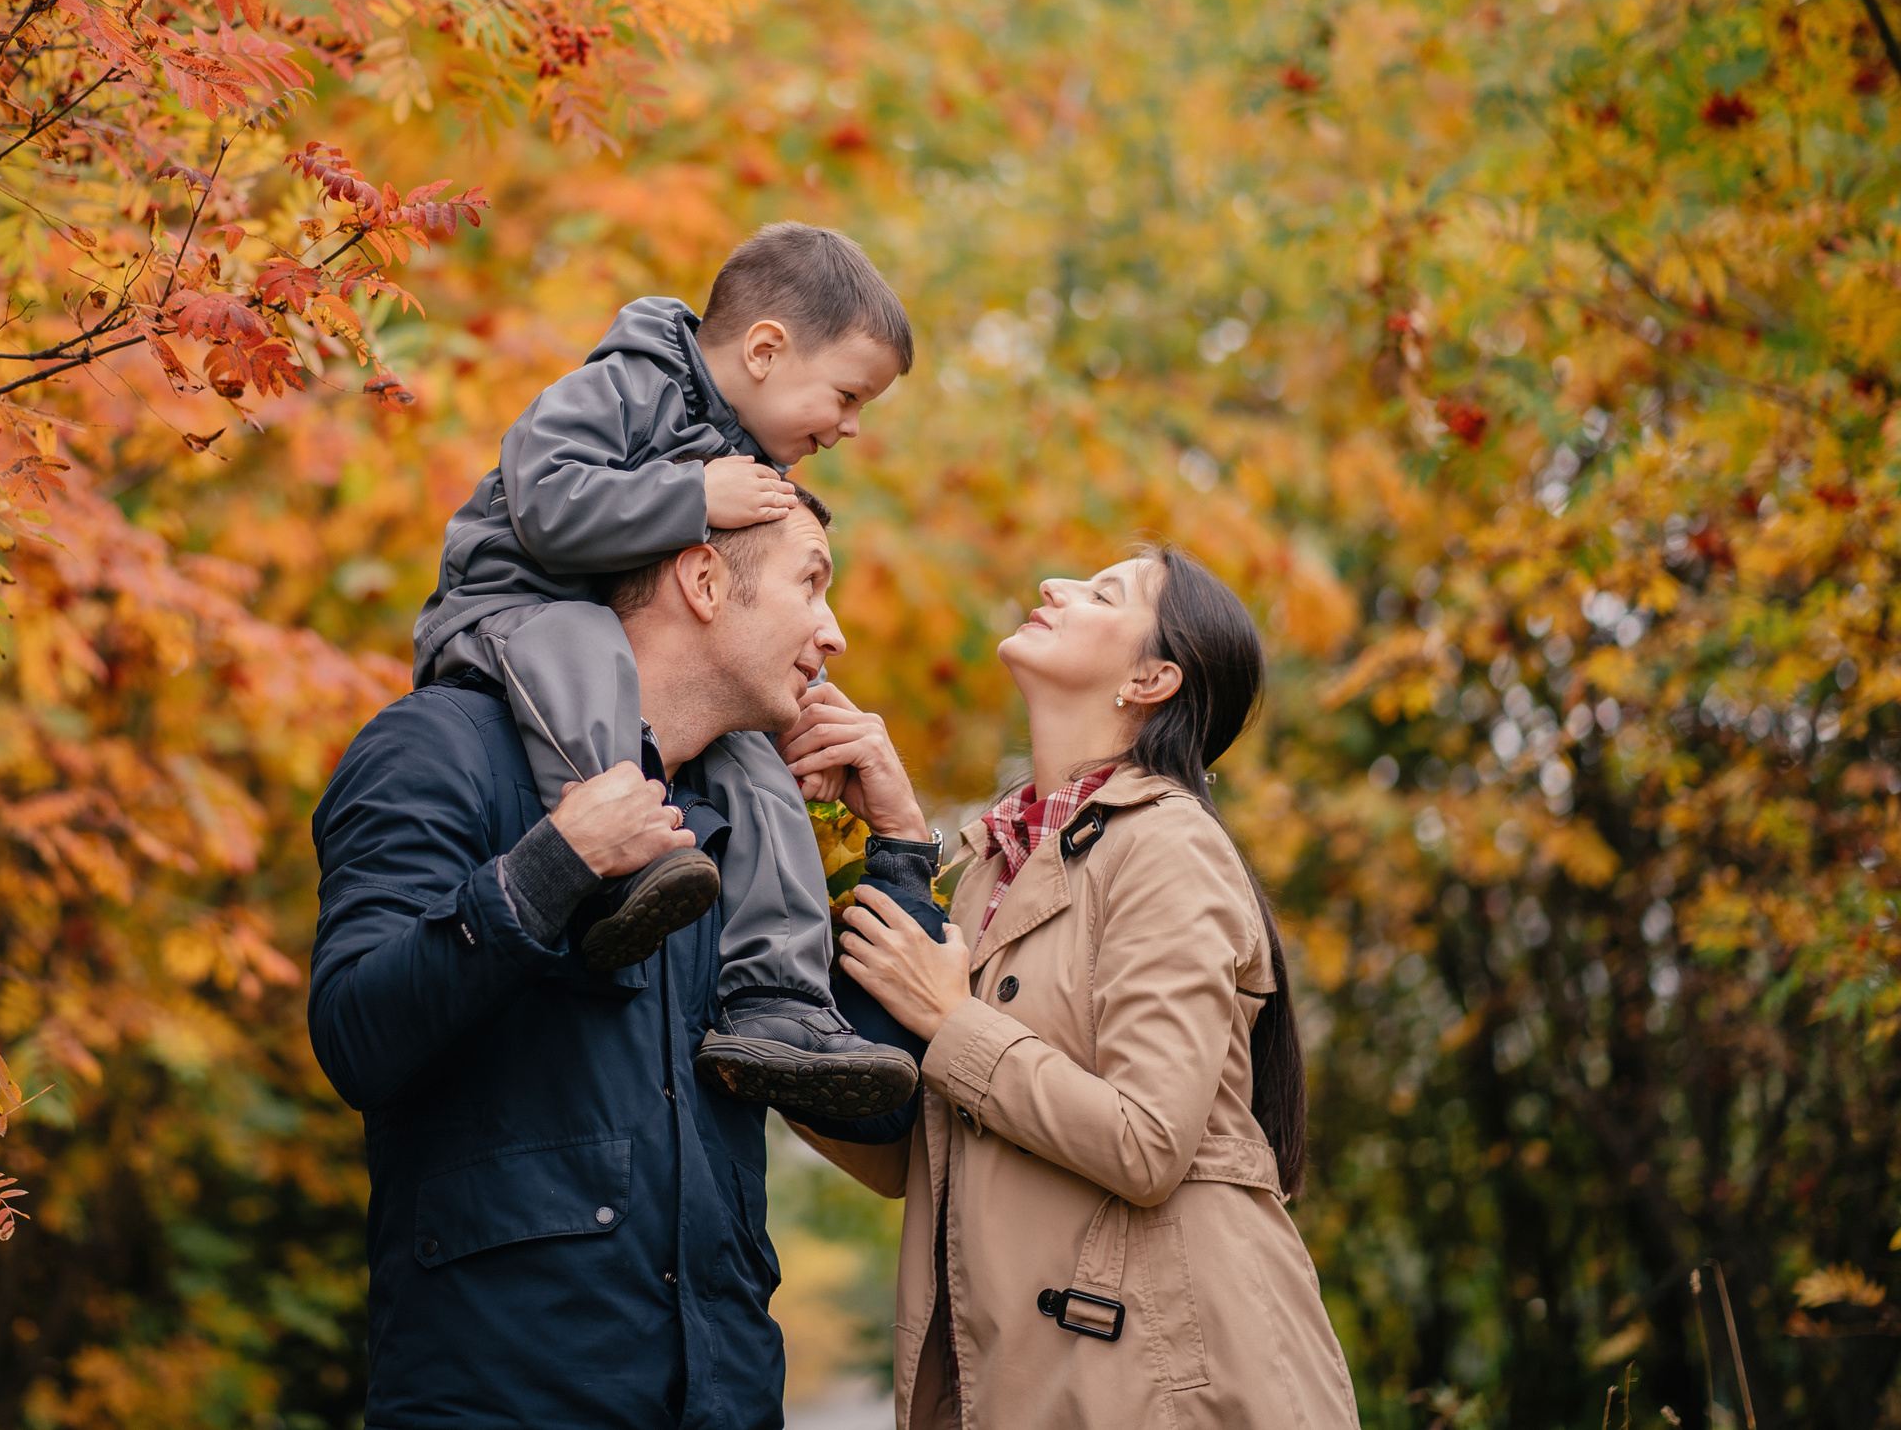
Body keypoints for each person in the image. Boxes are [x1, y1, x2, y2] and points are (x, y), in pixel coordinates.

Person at [310, 495, 944, 1428]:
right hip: (502, 1400)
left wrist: (900, 846)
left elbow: (879, 1106)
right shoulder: (440, 745)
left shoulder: (752, 827)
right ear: (703, 581)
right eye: (811, 583)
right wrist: (554, 866)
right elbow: (355, 1036)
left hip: (725, 1399)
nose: (834, 632)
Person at [783, 545, 1359, 1427]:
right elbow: (920, 1159)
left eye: (1103, 593)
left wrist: (949, 1018)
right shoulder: (987, 868)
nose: (1053, 585)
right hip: (1025, 1383)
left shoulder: (1168, 845)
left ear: (1150, 679)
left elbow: (1147, 1140)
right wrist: (778, 1044)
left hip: (1173, 1390)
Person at [412, 222, 922, 1117]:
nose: (849, 426)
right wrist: (693, 495)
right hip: (514, 608)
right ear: (764, 350)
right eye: (847, 396)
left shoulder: (750, 453)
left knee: (755, 764)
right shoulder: (627, 384)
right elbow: (542, 501)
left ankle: (780, 997)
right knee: (584, 637)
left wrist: (792, 698)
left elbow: (740, 607)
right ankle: (615, 870)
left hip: (622, 650)